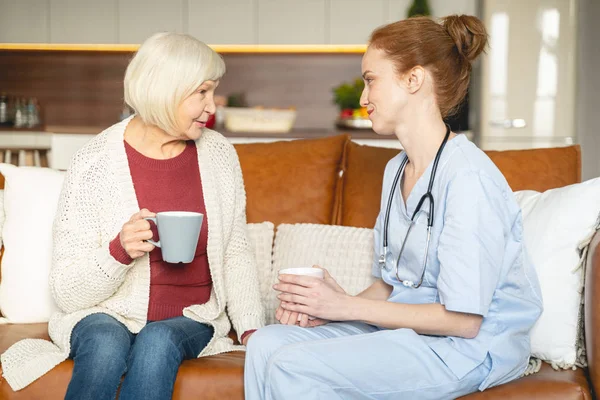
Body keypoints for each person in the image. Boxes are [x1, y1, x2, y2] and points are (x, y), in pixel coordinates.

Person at [244, 15, 543, 400]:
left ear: (413, 80)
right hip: (409, 334)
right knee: (266, 344)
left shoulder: (469, 178)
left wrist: (346, 306)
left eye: (371, 79)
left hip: (466, 348)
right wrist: (335, 304)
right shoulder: (395, 169)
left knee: (292, 365)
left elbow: (465, 320)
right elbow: (390, 286)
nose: (363, 98)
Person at [1, 32, 264, 399]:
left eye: (213, 91)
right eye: (201, 93)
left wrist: (252, 327)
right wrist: (118, 251)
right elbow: (67, 292)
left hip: (191, 316)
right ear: (165, 90)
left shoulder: (219, 155)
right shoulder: (94, 162)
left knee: (158, 341)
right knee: (106, 343)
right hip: (104, 312)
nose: (211, 107)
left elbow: (235, 250)